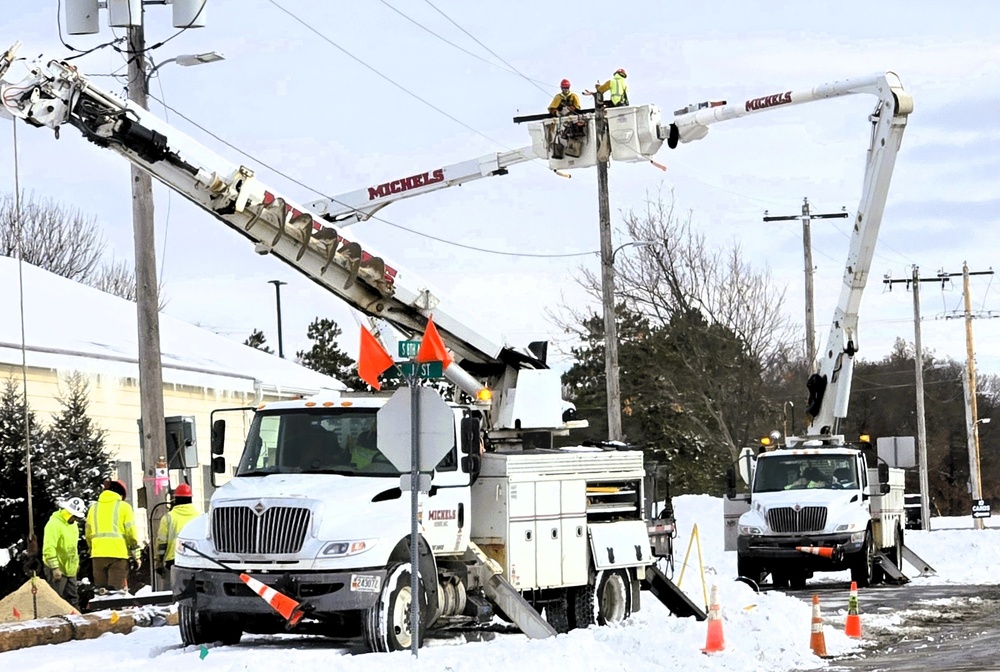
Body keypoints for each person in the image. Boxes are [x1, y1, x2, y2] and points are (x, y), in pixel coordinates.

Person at [85, 480, 141, 592]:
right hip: (118, 555)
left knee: (101, 594)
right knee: (116, 593)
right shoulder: (124, 507)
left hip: (97, 556)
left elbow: (88, 534)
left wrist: (92, 548)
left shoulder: (93, 508)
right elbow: (131, 533)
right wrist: (135, 551)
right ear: (120, 494)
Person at [42, 497, 87, 608]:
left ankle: (77, 622)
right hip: (58, 569)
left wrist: (75, 564)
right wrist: (55, 568)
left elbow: (73, 546)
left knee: (73, 599)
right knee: (57, 600)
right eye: (75, 517)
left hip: (70, 568)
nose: (76, 519)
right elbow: (49, 548)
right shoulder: (54, 524)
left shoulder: (73, 524)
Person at [155, 483, 200, 578]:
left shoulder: (168, 518)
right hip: (196, 561)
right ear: (191, 499)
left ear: (175, 499)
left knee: (173, 590)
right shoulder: (199, 517)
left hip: (173, 561)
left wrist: (158, 562)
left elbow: (161, 543)